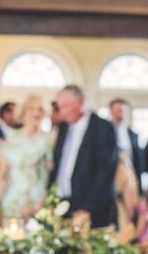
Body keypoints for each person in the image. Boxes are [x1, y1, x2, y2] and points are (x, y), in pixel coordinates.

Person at [49, 84, 118, 228]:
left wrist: (87, 210)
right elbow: (58, 166)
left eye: (66, 106)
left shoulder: (103, 128)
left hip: (91, 209)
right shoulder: (63, 128)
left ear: (80, 103)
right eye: (59, 107)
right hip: (63, 204)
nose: (62, 112)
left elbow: (105, 173)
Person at [0, 95, 53, 220]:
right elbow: (2, 174)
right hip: (12, 200)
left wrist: (41, 204)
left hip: (37, 202)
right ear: (23, 112)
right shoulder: (12, 138)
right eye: (31, 108)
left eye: (40, 109)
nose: (36, 113)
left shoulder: (48, 140)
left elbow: (50, 176)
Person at [109, 98, 144, 187]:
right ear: (111, 112)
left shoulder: (133, 135)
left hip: (130, 182)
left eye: (121, 111)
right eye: (116, 111)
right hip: (110, 182)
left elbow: (138, 162)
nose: (119, 115)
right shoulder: (103, 133)